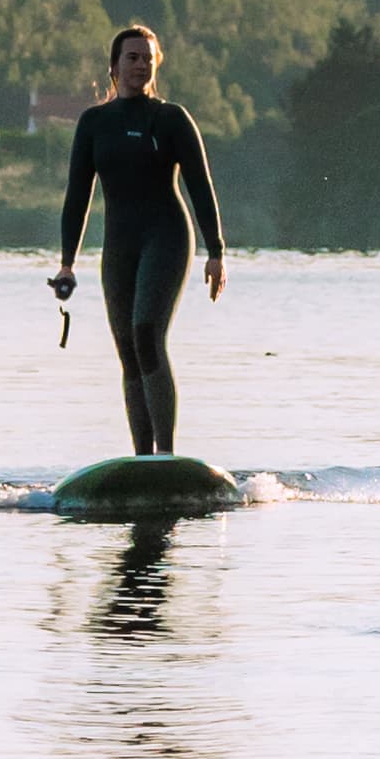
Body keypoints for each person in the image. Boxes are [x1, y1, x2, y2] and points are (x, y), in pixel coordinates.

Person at [54, 26, 224, 453]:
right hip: (120, 246)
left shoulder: (170, 119)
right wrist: (67, 262)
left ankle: (165, 455)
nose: (140, 65)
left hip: (166, 237)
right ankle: (141, 460)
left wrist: (216, 251)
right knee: (128, 349)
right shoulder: (95, 123)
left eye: (147, 58)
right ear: (113, 67)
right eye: (132, 58)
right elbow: (78, 194)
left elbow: (201, 186)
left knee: (147, 332)